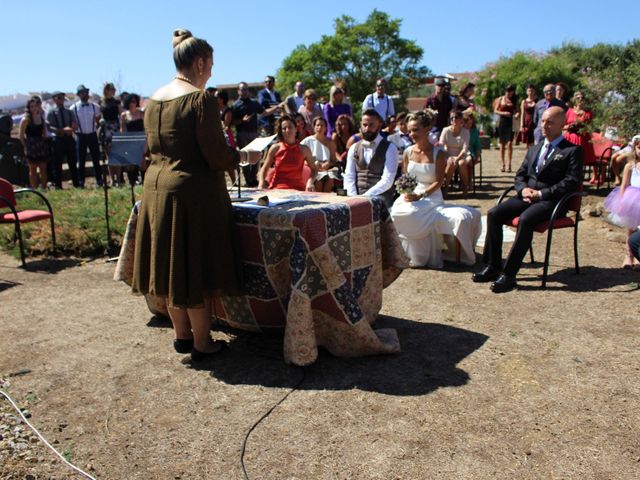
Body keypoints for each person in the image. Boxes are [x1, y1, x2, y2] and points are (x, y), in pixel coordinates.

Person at [131, 29, 261, 361]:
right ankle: (203, 344)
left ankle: (182, 337)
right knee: (194, 269)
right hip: (192, 194)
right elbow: (216, 155)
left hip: (157, 190)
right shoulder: (199, 98)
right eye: (212, 65)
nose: (213, 72)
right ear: (200, 62)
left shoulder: (154, 99)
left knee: (174, 268)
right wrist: (245, 158)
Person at [473, 106, 583, 293]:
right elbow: (520, 174)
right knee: (494, 213)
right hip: (526, 196)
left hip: (551, 201)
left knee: (525, 220)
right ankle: (492, 265)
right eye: (543, 121)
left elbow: (571, 182)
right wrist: (522, 189)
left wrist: (541, 194)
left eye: (550, 122)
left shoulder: (572, 151)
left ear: (562, 124)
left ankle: (509, 275)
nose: (544, 126)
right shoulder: (535, 148)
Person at [390, 111, 481, 268]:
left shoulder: (437, 154)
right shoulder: (408, 152)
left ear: (427, 129)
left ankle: (420, 256)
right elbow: (405, 177)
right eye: (410, 130)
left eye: (416, 130)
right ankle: (405, 253)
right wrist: (406, 192)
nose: (412, 134)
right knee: (396, 212)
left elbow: (439, 182)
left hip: (431, 194)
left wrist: (421, 195)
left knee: (413, 213)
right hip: (412, 192)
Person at [343, 109, 399, 208]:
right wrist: (353, 197)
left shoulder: (390, 148)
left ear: (379, 125)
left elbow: (388, 180)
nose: (367, 129)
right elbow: (349, 176)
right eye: (364, 125)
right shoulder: (354, 147)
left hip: (380, 196)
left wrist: (365, 198)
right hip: (356, 195)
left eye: (371, 125)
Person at [603, 137, 640, 269]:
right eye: (639, 147)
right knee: (630, 229)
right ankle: (628, 255)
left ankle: (638, 256)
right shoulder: (630, 166)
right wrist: (622, 202)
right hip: (632, 199)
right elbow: (624, 186)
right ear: (634, 148)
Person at [258, 114, 317, 191]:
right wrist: (261, 183)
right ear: (281, 131)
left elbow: (314, 169)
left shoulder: (304, 149)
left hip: (297, 190)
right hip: (277, 189)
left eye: (290, 127)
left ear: (296, 129)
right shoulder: (275, 148)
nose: (287, 130)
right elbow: (264, 168)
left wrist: (310, 182)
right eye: (284, 128)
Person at [231, 81, 264, 187]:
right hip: (242, 134)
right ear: (238, 91)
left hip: (254, 133)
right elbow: (232, 122)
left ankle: (254, 178)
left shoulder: (254, 103)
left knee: (257, 156)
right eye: (242, 89)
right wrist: (242, 120)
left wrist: (277, 107)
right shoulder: (235, 105)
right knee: (245, 157)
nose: (244, 91)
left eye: (246, 89)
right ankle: (248, 180)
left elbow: (264, 112)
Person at [70, 84, 103, 187]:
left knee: (96, 159)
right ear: (79, 95)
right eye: (83, 93)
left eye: (86, 92)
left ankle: (99, 179)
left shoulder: (95, 106)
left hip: (92, 134)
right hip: (80, 135)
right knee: (81, 160)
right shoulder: (73, 108)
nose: (85, 95)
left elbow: (98, 120)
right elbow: (72, 123)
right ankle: (81, 182)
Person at [46, 91, 80, 188]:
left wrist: (73, 128)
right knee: (58, 164)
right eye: (59, 98)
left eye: (62, 98)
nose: (61, 100)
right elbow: (49, 127)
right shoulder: (51, 113)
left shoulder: (69, 112)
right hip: (58, 140)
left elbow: (75, 124)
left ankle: (76, 184)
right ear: (54, 99)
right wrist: (61, 130)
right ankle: (58, 185)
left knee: (73, 162)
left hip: (69, 139)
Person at [563, 91, 597, 183]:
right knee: (567, 161)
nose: (580, 100)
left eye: (582, 98)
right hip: (569, 138)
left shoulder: (588, 113)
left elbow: (589, 127)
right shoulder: (569, 111)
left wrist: (579, 126)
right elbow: (563, 125)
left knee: (579, 162)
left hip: (582, 139)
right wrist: (569, 127)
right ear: (574, 99)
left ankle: (578, 182)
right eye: (578, 98)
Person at [300, 116, 339, 192]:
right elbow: (300, 159)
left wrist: (328, 164)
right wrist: (311, 164)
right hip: (312, 170)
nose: (319, 127)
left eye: (322, 125)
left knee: (329, 181)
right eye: (317, 125)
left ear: (325, 128)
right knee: (318, 182)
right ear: (314, 127)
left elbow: (333, 160)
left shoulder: (330, 143)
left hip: (326, 170)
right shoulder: (307, 141)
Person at [19, 96, 50, 189]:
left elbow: (44, 133)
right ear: (28, 107)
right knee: (32, 170)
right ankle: (35, 190)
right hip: (31, 146)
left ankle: (43, 189)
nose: (34, 108)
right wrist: (26, 146)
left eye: (35, 106)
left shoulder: (41, 117)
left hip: (40, 145)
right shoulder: (26, 119)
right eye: (31, 106)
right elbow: (21, 136)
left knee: (43, 169)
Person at [99, 83, 123, 186]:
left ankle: (118, 179)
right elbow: (100, 115)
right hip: (106, 128)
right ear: (107, 90)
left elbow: (121, 115)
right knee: (109, 156)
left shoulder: (117, 102)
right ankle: (111, 179)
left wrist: (121, 127)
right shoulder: (101, 102)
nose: (114, 90)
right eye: (112, 89)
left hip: (115, 127)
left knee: (117, 155)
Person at [440, 110, 470, 193]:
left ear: (461, 120)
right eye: (451, 118)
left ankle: (465, 186)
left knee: (461, 163)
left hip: (461, 155)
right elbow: (441, 146)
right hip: (448, 154)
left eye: (456, 117)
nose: (453, 119)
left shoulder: (465, 132)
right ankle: (445, 187)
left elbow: (465, 149)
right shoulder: (445, 130)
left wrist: (457, 158)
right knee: (451, 163)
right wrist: (449, 157)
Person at [120, 93, 145, 186]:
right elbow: (122, 129)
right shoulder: (124, 115)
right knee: (130, 163)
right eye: (130, 102)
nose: (132, 104)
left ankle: (143, 181)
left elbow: (146, 128)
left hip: (140, 140)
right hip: (129, 140)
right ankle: (132, 181)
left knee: (142, 162)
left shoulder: (141, 113)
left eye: (134, 101)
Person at [493, 85, 518, 173]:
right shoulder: (500, 99)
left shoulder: (514, 100)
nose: (509, 93)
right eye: (507, 91)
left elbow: (517, 110)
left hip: (511, 123)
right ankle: (503, 164)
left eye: (510, 92)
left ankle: (509, 164)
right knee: (502, 144)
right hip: (502, 122)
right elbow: (495, 110)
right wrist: (503, 113)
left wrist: (517, 114)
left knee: (510, 143)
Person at [519, 84, 537, 148]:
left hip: (535, 122)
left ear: (534, 91)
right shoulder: (524, 101)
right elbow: (522, 114)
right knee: (528, 141)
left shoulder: (537, 101)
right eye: (529, 91)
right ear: (526, 92)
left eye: (532, 91)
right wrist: (521, 125)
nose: (530, 92)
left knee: (535, 140)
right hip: (527, 122)